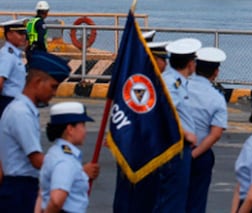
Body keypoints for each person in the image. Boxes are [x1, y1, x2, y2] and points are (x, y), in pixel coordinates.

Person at [0, 51, 71, 212]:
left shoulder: (24, 109)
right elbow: (36, 160)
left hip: (19, 187)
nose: (54, 93)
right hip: (19, 189)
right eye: (53, 87)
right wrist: (71, 169)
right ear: (38, 82)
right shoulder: (21, 113)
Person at [111, 40, 169, 213]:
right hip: (138, 150)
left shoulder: (157, 84)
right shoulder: (140, 85)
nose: (165, 64)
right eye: (162, 59)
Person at [153, 37, 201, 211]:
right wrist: (185, 133)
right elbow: (165, 112)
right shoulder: (170, 83)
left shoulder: (177, 82)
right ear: (190, 64)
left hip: (180, 148)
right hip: (174, 148)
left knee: (177, 199)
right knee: (171, 201)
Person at [40, 101, 101, 213]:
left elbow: (42, 195)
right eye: (82, 125)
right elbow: (56, 201)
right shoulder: (65, 160)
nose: (85, 131)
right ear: (70, 129)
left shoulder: (54, 153)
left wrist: (83, 174)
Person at [188, 46, 228, 213]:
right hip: (200, 154)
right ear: (216, 72)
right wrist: (194, 155)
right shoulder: (217, 98)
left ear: (195, 66)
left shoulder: (179, 87)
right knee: (196, 201)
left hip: (172, 151)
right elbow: (215, 134)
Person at [0, 19, 28, 117]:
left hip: (15, 102)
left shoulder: (14, 54)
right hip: (8, 102)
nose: (23, 37)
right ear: (9, 34)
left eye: (24, 33)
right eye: (20, 33)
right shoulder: (7, 55)